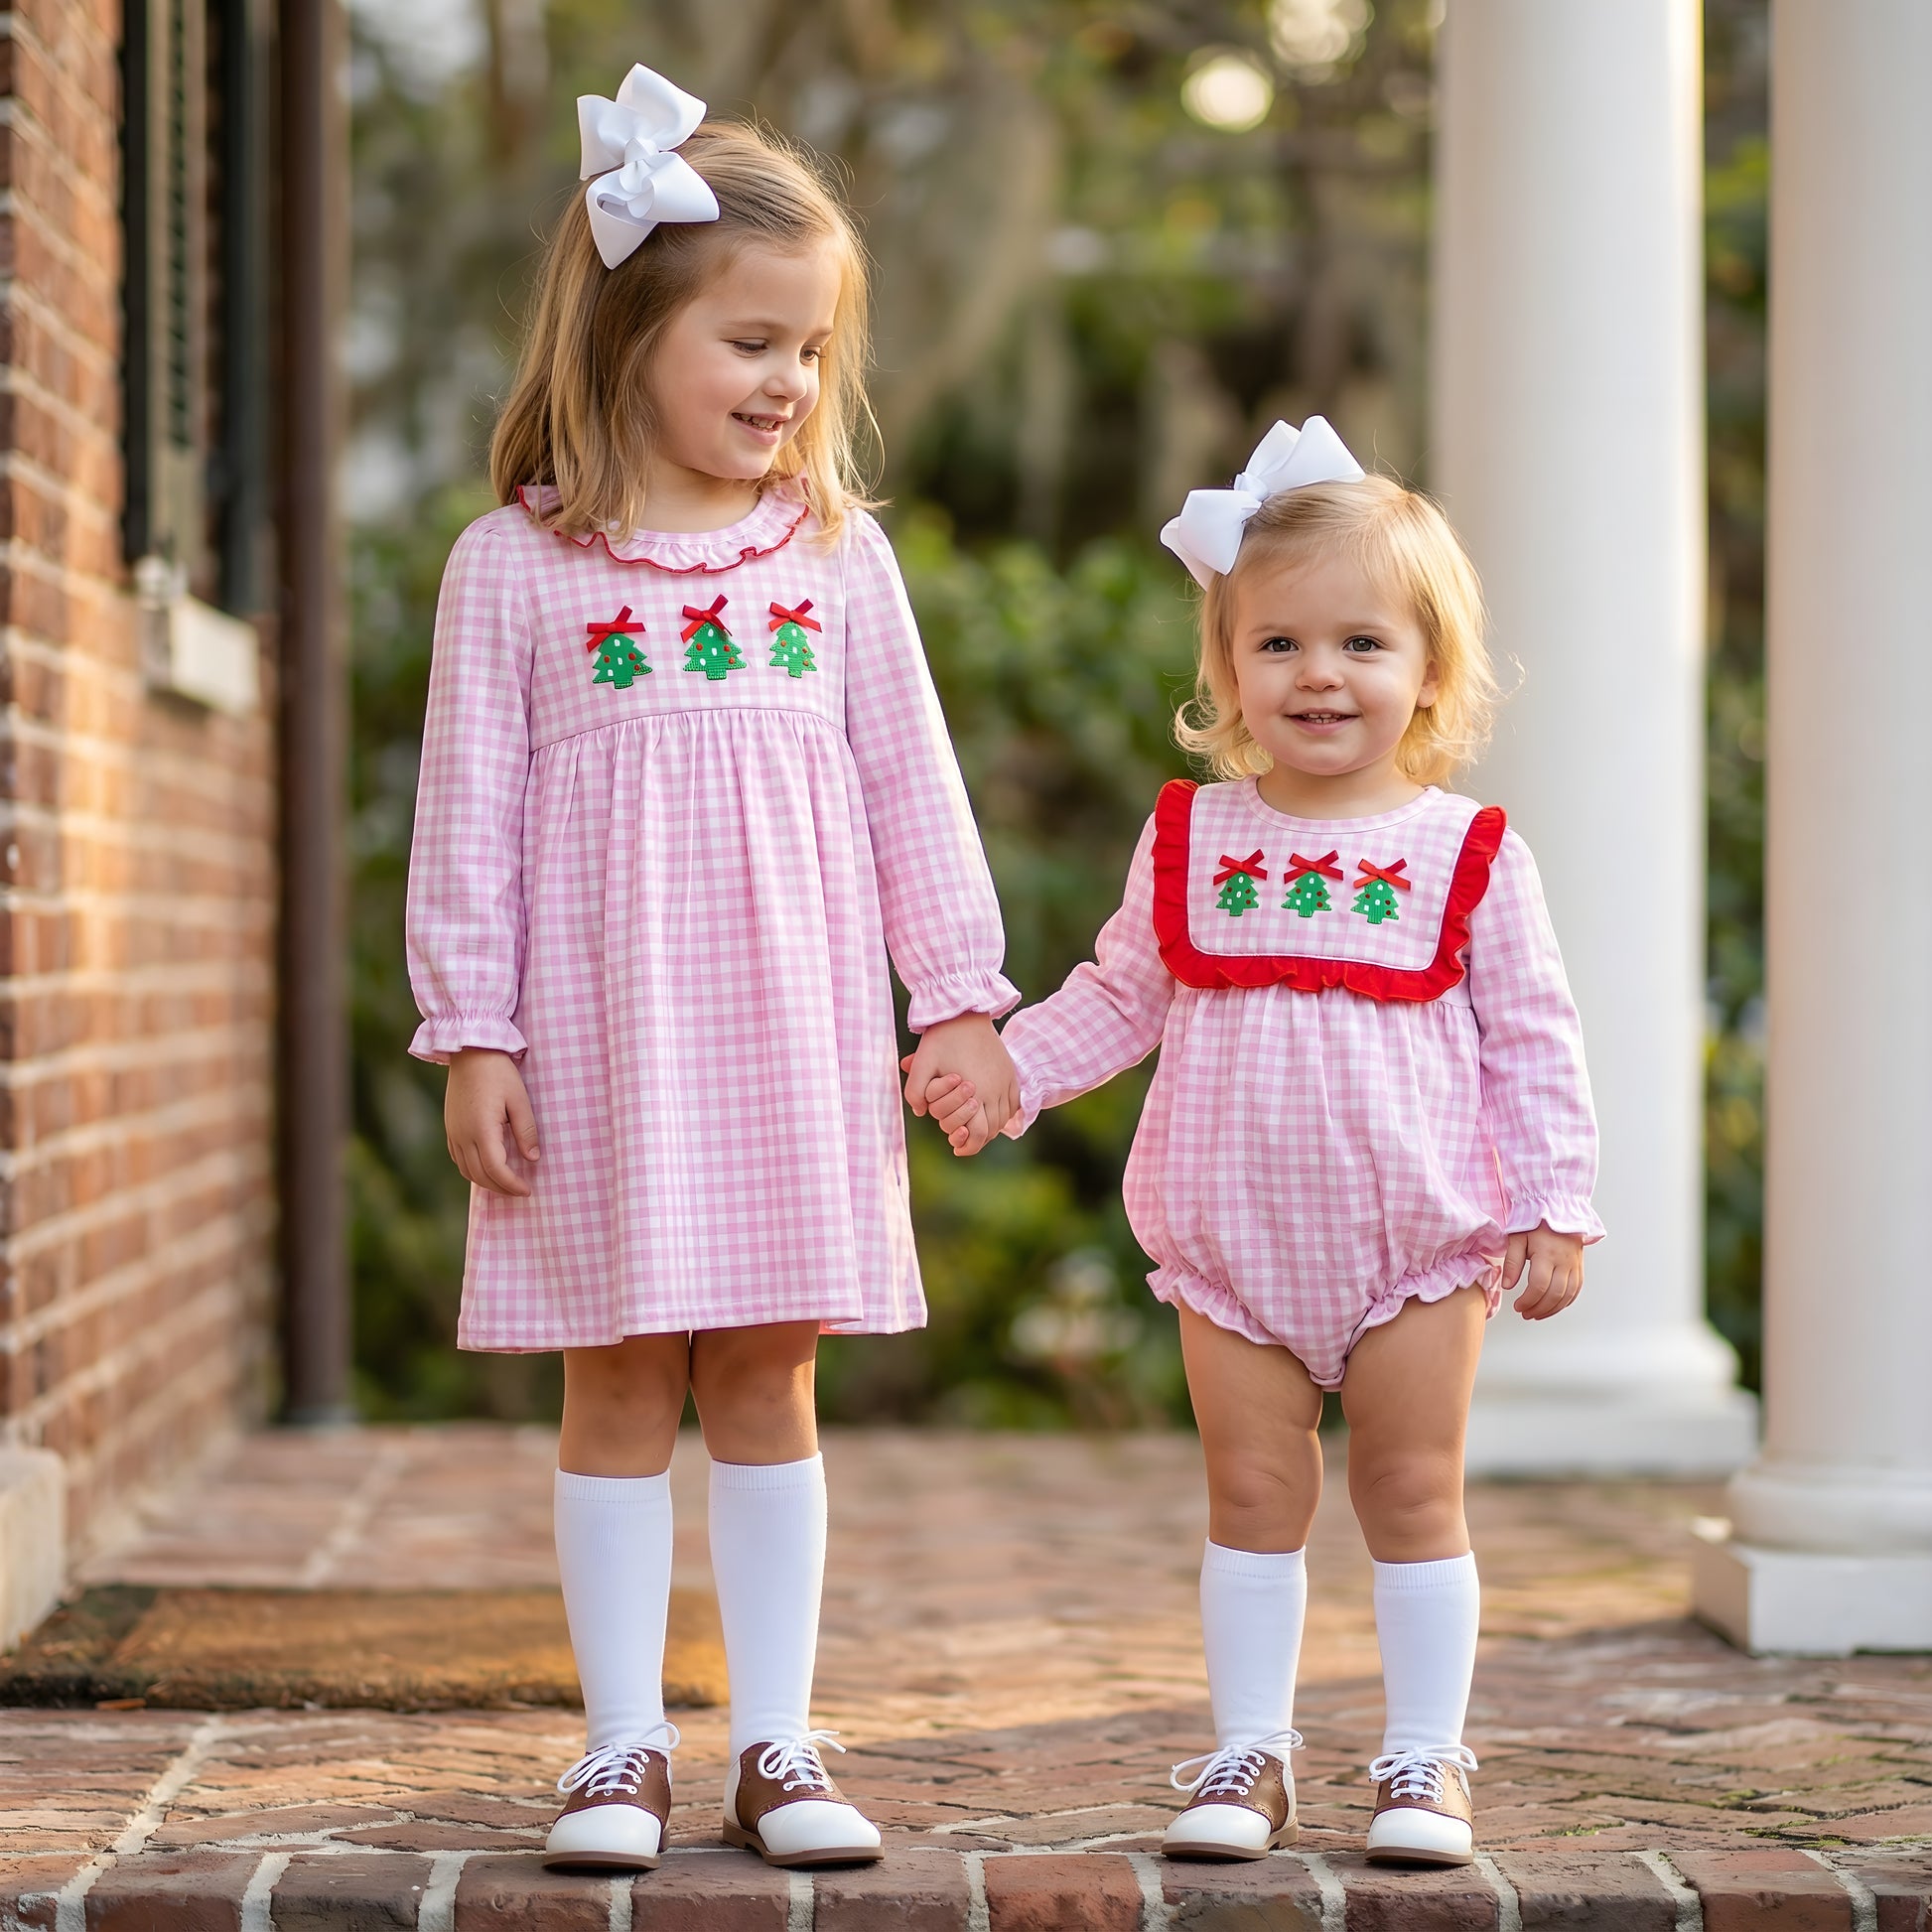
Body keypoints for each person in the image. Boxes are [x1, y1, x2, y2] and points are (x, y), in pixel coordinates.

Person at [406, 64, 1018, 1873]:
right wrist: (474, 1030)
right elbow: (466, 817)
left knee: (766, 1377)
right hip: (599, 1040)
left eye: (812, 350)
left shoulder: (834, 560)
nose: (789, 383)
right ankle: (618, 1747)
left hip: (789, 1034)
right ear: (627, 335)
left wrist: (957, 993)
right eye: (750, 341)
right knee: (614, 1383)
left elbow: (911, 788)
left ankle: (772, 1737)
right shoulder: (514, 569)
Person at [924, 419, 1601, 1868]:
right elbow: (1120, 996)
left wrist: (1553, 1203)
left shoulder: (1467, 852)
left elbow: (1533, 1038)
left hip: (1417, 1241)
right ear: (1227, 668)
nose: (1317, 674)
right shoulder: (1193, 837)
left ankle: (1422, 1760)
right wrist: (1008, 1069)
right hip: (1231, 1242)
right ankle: (1250, 1751)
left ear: (1429, 670)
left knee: (1410, 1491)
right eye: (1277, 642)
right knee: (1251, 1495)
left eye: (1361, 643)